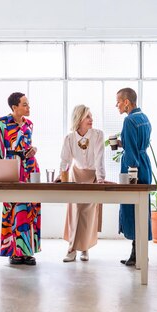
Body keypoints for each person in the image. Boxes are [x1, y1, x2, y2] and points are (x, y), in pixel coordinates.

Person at [0, 92, 41, 266]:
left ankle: (27, 251)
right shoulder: (2, 123)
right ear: (14, 107)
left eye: (28, 104)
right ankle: (14, 251)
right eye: (25, 104)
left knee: (30, 207)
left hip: (30, 168)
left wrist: (33, 149)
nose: (28, 108)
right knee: (14, 207)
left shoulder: (29, 124)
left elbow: (28, 144)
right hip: (12, 167)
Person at [59, 104, 105, 262]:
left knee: (88, 214)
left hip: (92, 176)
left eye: (91, 116)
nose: (91, 120)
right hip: (76, 176)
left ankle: (84, 248)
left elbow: (99, 158)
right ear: (79, 119)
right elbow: (65, 160)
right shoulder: (69, 138)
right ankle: (71, 248)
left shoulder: (98, 135)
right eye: (88, 117)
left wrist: (100, 179)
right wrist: (63, 179)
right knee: (76, 211)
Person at [116, 87, 153, 267]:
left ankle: (137, 254)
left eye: (118, 102)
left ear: (127, 102)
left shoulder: (129, 121)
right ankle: (138, 253)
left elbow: (131, 152)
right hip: (145, 163)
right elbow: (138, 144)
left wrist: (131, 175)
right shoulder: (144, 118)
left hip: (134, 168)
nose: (117, 106)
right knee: (142, 210)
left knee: (131, 209)